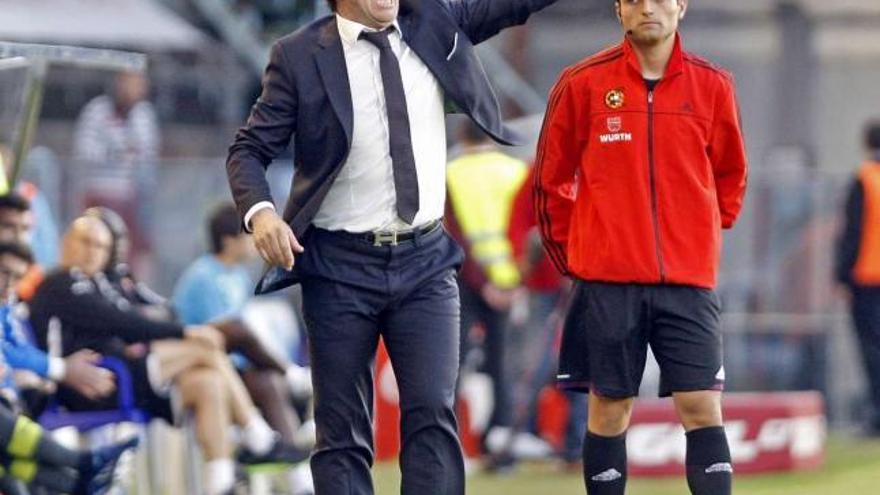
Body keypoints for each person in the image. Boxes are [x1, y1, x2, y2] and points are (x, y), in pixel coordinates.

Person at [225, 0, 559, 492]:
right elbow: (249, 150)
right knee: (341, 432)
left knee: (431, 414)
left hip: (425, 262)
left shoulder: (435, 18)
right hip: (338, 266)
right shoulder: (297, 56)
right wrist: (263, 213)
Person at [534, 1, 748, 494]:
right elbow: (551, 182)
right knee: (610, 408)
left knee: (702, 405)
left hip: (688, 285)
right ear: (619, 10)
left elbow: (731, 175)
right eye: (634, 0)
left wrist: (698, 238)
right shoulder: (581, 83)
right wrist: (582, 256)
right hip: (607, 284)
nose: (647, 8)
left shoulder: (713, 85)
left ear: (681, 7)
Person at [30, 217, 305, 495]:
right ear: (66, 243)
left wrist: (160, 329)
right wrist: (184, 332)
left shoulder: (101, 281)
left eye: (101, 246)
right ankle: (257, 435)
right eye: (85, 242)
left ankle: (220, 484)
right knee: (208, 345)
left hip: (124, 375)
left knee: (208, 381)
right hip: (92, 383)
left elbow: (141, 315)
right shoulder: (61, 283)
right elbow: (120, 321)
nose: (92, 251)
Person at [444, 121, 534, 463]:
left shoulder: (451, 173)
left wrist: (482, 283)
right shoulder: (516, 171)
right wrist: (515, 282)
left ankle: (448, 443)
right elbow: (533, 228)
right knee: (503, 365)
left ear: (461, 138)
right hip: (511, 282)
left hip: (464, 280)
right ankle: (501, 447)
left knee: (453, 363)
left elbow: (450, 233)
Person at [72, 71, 159, 266]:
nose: (135, 89)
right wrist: (115, 152)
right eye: (130, 82)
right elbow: (84, 149)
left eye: (139, 84)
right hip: (99, 192)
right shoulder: (98, 110)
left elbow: (146, 152)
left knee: (133, 249)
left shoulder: (143, 115)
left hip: (132, 195)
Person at [835, 121, 880, 437]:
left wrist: (841, 276)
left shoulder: (864, 179)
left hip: (867, 278)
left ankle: (877, 416)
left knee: (872, 349)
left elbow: (851, 232)